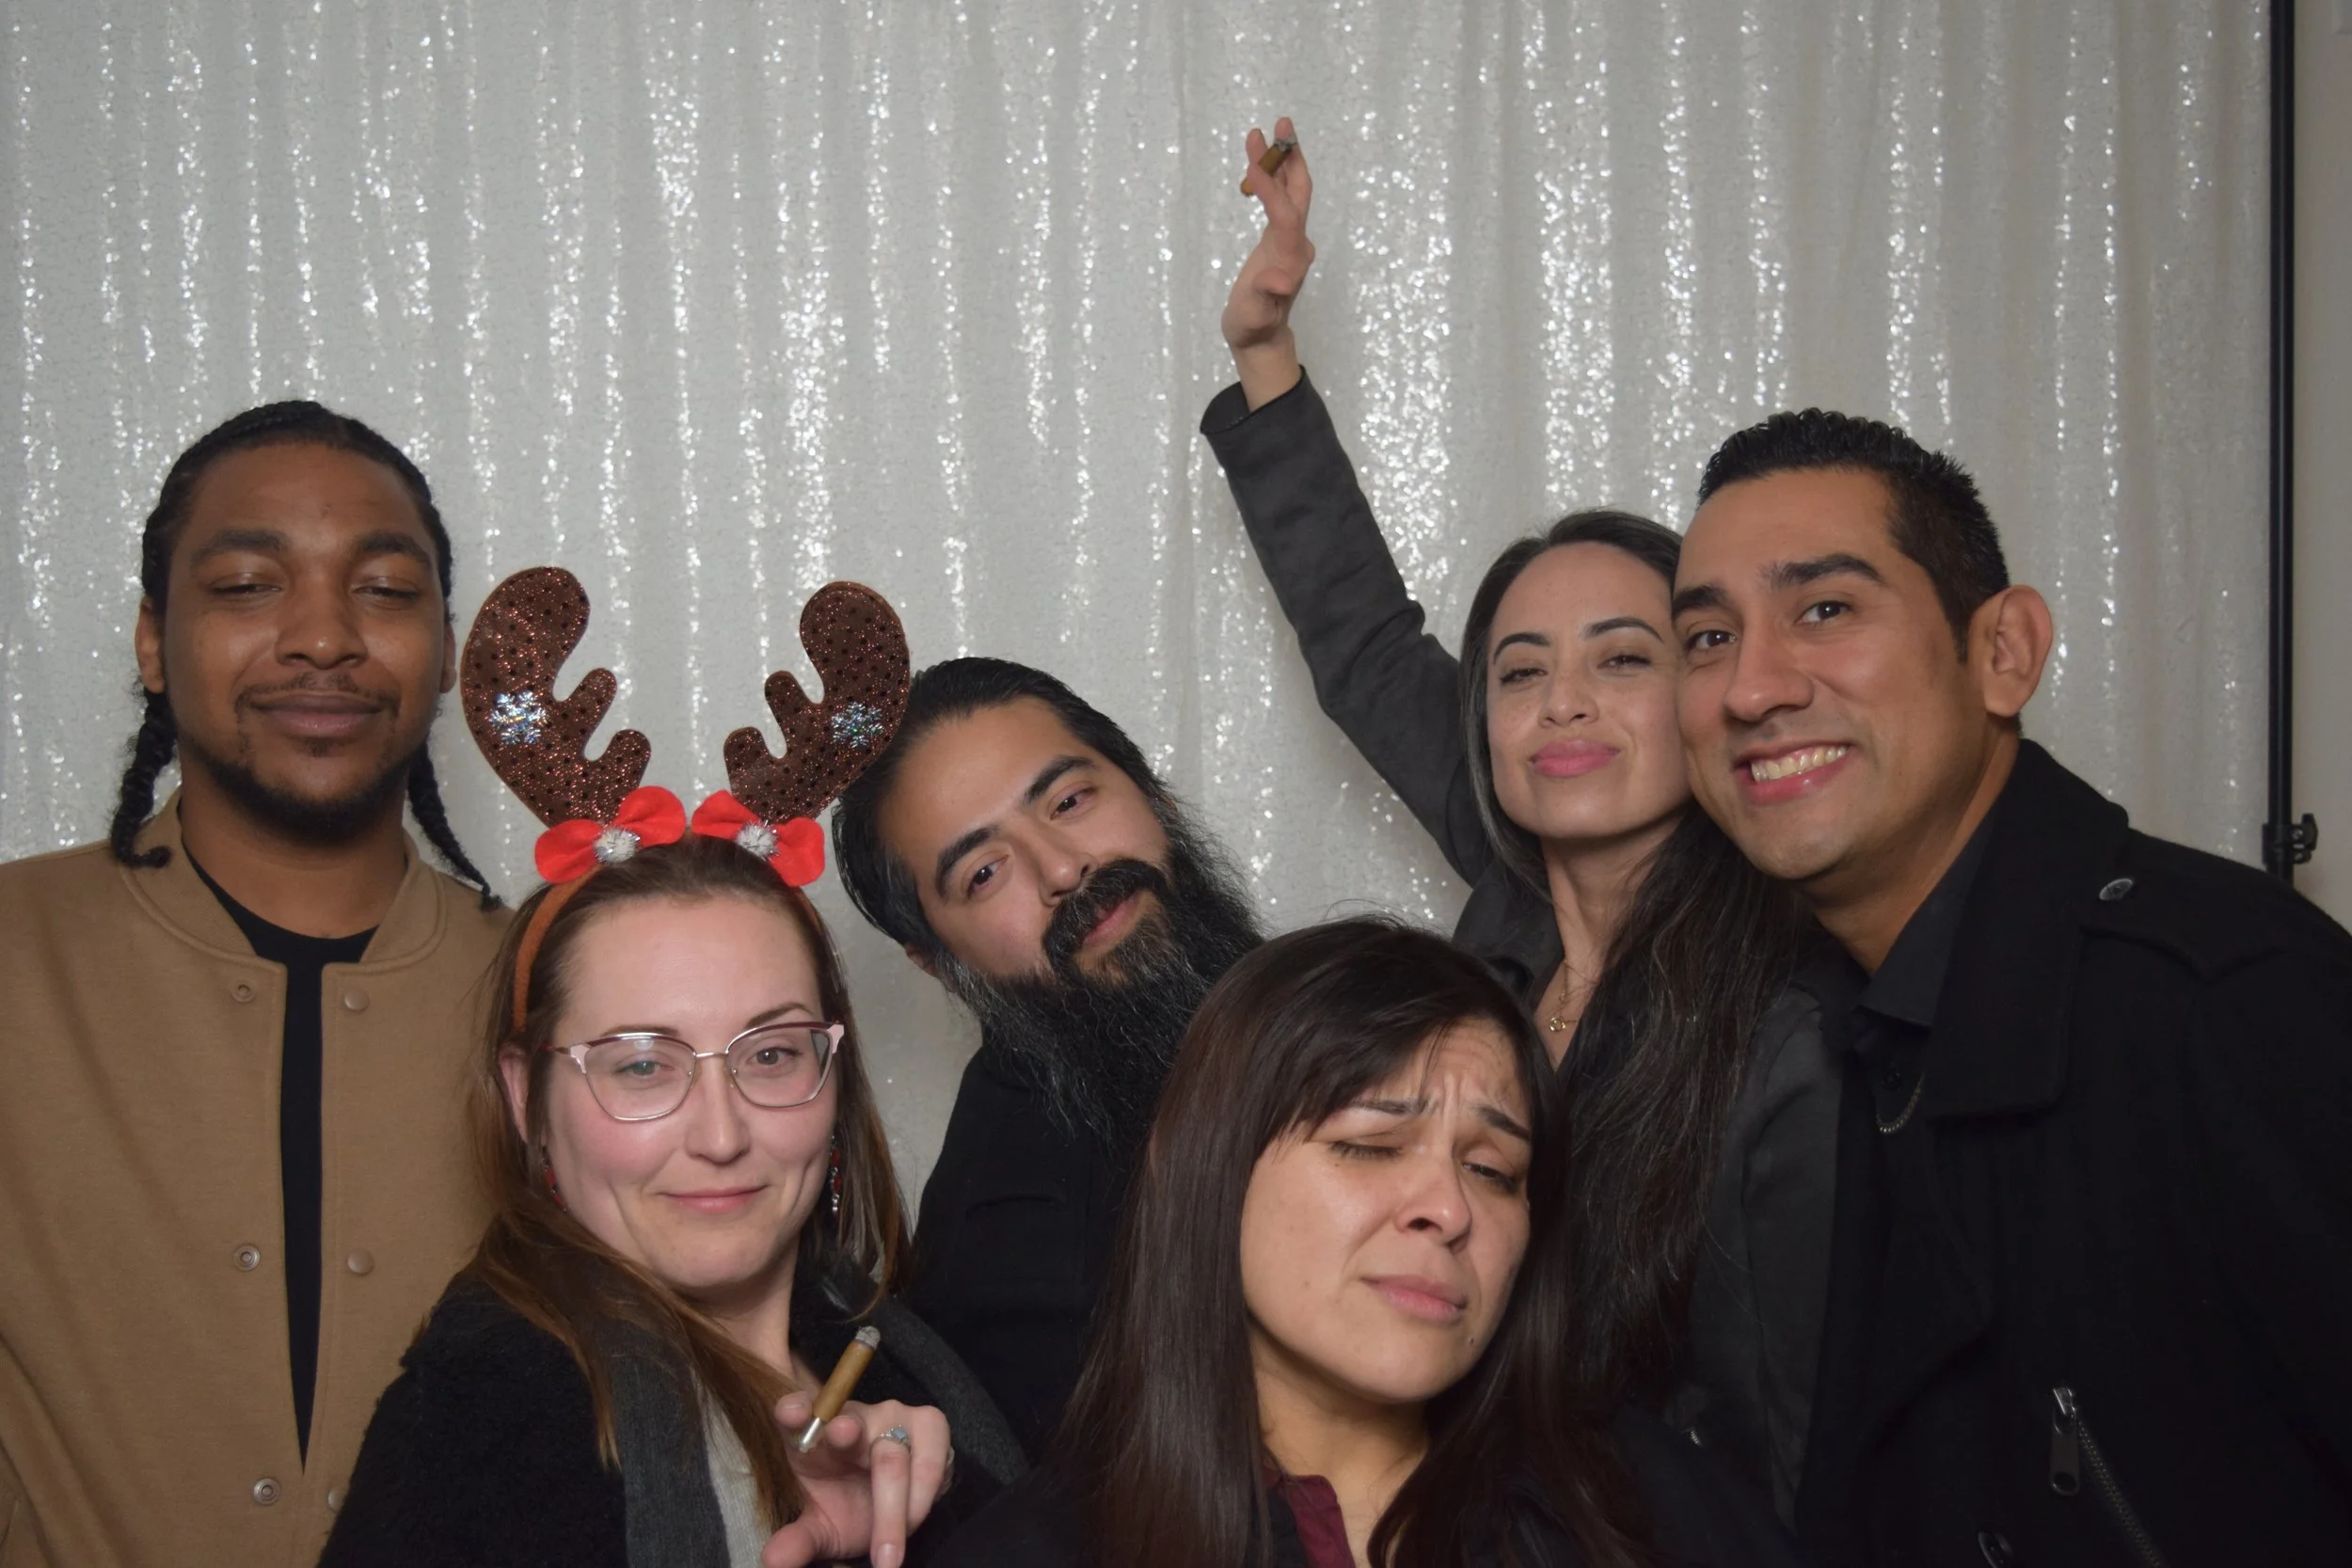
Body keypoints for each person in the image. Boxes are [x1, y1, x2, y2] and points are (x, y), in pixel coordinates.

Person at [1202, 119, 1827, 1514]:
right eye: (1521, 671)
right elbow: (1364, 639)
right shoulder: (1506, 883)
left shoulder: (1790, 989)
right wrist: (1265, 350)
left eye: (1624, 658)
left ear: (1708, 685)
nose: (1565, 705)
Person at [1671, 408, 2352, 1565]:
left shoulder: (2225, 998)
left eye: (1824, 609)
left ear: (2003, 652)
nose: (1750, 687)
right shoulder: (1853, 1027)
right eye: (1705, 637)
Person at [322, 565, 1022, 1567]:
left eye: (770, 1052)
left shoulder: (899, 1359)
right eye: (642, 1066)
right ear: (527, 1097)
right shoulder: (487, 1417)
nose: (721, 1132)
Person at [0, 402, 508, 1567]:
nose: (324, 636)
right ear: (152, 641)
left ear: (443, 649)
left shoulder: (553, 991)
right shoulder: (17, 954)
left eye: (384, 589)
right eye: (245, 584)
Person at [939, 919, 1807, 1568]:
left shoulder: (1648, 1501)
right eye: (1370, 1144)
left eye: (1493, 1169)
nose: (1448, 1208)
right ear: (1198, 1166)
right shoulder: (1032, 1549)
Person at [832, 657, 1263, 1454]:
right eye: (984, 873)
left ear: (1155, 793)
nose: (1064, 869)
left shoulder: (1337, 1007)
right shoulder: (1015, 1255)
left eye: (1069, 801)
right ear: (940, 965)